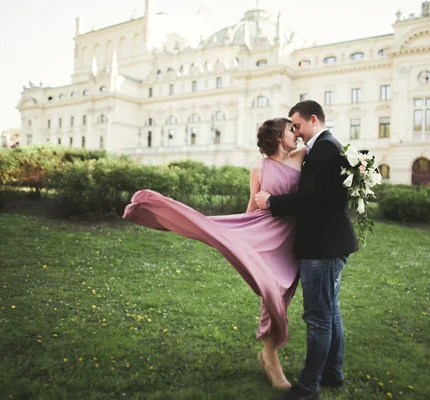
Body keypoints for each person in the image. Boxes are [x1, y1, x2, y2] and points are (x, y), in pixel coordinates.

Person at [122, 118, 305, 389]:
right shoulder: (258, 167)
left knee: (285, 292)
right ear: (279, 136)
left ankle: (267, 352)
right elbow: (252, 206)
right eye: (291, 130)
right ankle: (270, 356)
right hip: (264, 234)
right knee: (272, 290)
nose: (296, 133)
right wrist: (238, 236)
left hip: (290, 239)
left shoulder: (301, 156)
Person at [255, 100, 358, 400]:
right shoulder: (325, 146)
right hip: (328, 244)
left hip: (322, 248)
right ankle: (333, 374)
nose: (296, 133)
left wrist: (271, 202)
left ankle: (309, 386)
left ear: (313, 119)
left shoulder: (324, 149)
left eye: (297, 125)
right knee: (331, 313)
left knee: (318, 319)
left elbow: (311, 201)